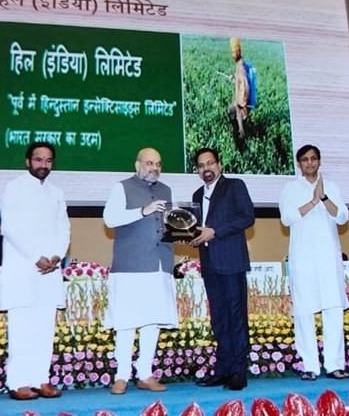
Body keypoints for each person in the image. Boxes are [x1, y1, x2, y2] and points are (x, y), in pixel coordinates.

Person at [0, 142, 70, 400]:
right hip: (23, 270)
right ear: (28, 161)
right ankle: (17, 382)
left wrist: (57, 255)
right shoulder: (13, 188)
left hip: (50, 271)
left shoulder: (56, 192)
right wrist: (34, 257)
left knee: (44, 329)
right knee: (22, 329)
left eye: (48, 160)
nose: (43, 165)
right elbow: (10, 228)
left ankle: (41, 379)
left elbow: (64, 228)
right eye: (38, 160)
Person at [102, 148, 178, 395]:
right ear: (137, 165)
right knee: (126, 321)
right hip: (130, 266)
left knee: (152, 321)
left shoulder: (166, 190)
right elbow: (110, 219)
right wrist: (142, 211)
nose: (154, 167)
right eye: (149, 163)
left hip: (159, 264)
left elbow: (168, 223)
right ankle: (122, 375)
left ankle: (145, 373)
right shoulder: (121, 187)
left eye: (158, 163)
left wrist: (185, 228)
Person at [277, 145, 349, 381]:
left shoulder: (333, 187)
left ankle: (334, 364)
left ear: (319, 161)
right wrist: (312, 201)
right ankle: (310, 365)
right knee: (304, 312)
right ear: (299, 164)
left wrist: (324, 198)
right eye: (305, 160)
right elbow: (287, 218)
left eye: (314, 159)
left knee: (333, 310)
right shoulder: (290, 188)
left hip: (328, 257)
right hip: (303, 258)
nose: (310, 163)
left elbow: (342, 217)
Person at [190, 147, 255, 391]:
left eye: (210, 163)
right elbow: (196, 227)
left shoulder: (234, 186)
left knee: (236, 317)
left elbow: (247, 217)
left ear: (219, 164)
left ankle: (239, 371)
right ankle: (223, 369)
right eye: (201, 165)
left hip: (231, 261)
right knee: (219, 319)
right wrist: (192, 236)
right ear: (197, 170)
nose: (206, 168)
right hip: (209, 264)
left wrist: (214, 231)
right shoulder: (197, 195)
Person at [227, 37, 251, 140]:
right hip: (239, 102)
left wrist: (240, 103)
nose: (233, 55)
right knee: (232, 112)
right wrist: (234, 79)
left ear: (238, 52)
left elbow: (245, 86)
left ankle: (241, 138)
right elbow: (240, 82)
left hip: (241, 103)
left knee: (241, 126)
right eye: (232, 52)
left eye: (234, 52)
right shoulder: (240, 65)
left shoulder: (240, 67)